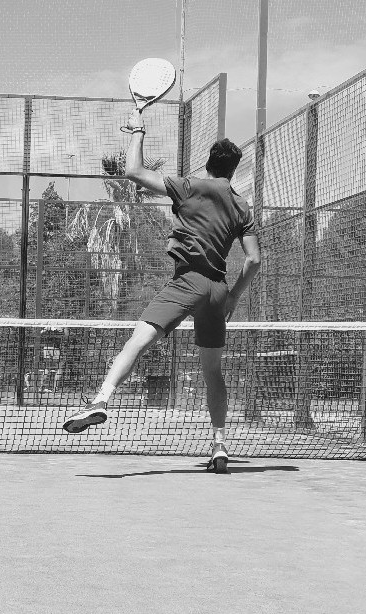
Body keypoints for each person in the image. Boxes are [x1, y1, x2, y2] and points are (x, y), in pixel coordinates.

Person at [62, 109, 261, 473]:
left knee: (135, 343)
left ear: (208, 163)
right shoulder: (241, 205)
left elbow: (134, 171)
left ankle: (101, 399)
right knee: (213, 372)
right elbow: (254, 260)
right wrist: (233, 296)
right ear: (233, 170)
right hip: (218, 290)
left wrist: (138, 131)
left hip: (187, 281)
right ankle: (219, 443)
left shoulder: (189, 186)